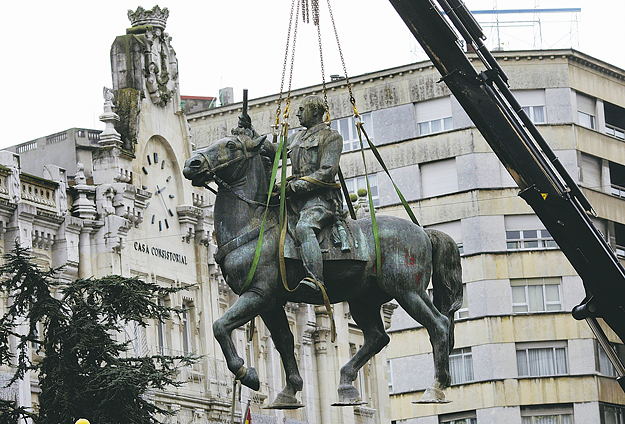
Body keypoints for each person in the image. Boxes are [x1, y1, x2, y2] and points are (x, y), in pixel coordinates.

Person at [286, 95, 343, 293]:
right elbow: (273, 150)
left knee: (303, 228)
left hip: (320, 199)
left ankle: (316, 279)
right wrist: (250, 133)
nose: (297, 113)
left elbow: (327, 171)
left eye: (302, 109)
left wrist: (296, 186)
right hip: (295, 201)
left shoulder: (331, 137)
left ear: (316, 112)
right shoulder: (296, 138)